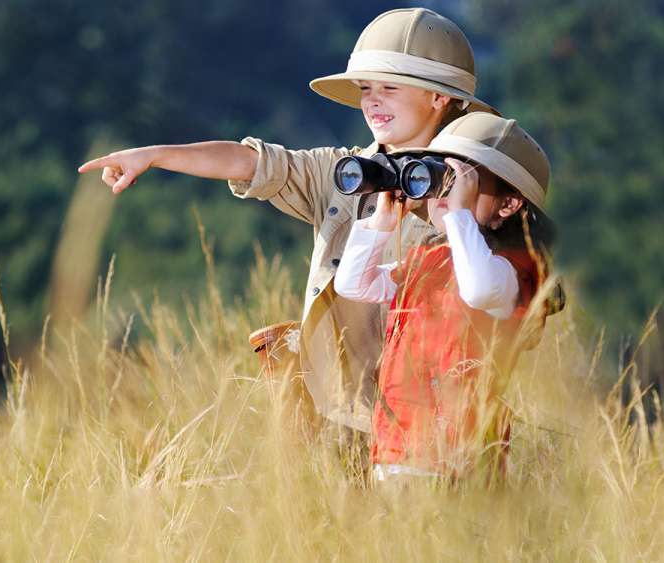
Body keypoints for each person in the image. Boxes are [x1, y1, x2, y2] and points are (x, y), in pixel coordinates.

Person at [77, 8, 495, 434]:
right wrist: (154, 155)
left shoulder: (474, 195)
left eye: (390, 87)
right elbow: (249, 162)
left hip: (422, 421)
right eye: (366, 88)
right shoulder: (341, 174)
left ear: (439, 97)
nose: (372, 100)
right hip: (329, 411)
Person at [332, 113, 559, 482]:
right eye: (438, 174)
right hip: (395, 452)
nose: (445, 192)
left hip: (461, 464)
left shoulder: (513, 270)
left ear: (508, 205)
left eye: (464, 181)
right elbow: (354, 284)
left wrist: (459, 216)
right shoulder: (428, 260)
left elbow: (478, 287)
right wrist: (381, 223)